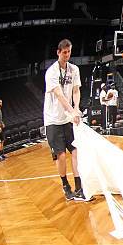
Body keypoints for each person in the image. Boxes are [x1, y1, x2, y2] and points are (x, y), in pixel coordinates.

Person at [44, 38, 90, 201]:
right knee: (61, 155)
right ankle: (66, 185)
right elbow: (59, 94)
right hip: (53, 120)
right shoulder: (51, 72)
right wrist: (72, 111)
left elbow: (76, 90)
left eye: (69, 51)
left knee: (76, 151)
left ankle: (79, 187)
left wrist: (76, 108)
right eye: (64, 52)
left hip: (68, 118)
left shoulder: (74, 69)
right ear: (58, 52)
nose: (67, 55)